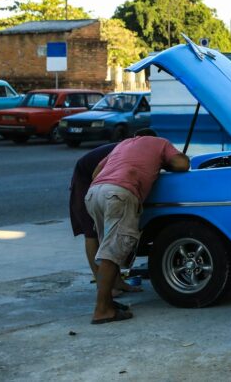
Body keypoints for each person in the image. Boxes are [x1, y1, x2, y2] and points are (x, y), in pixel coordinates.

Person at [85, 131, 190, 324]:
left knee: (106, 250)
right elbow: (182, 164)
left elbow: (95, 173)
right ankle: (102, 310)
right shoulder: (160, 142)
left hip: (94, 194)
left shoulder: (124, 144)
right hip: (119, 193)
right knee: (112, 253)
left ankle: (108, 303)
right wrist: (161, 163)